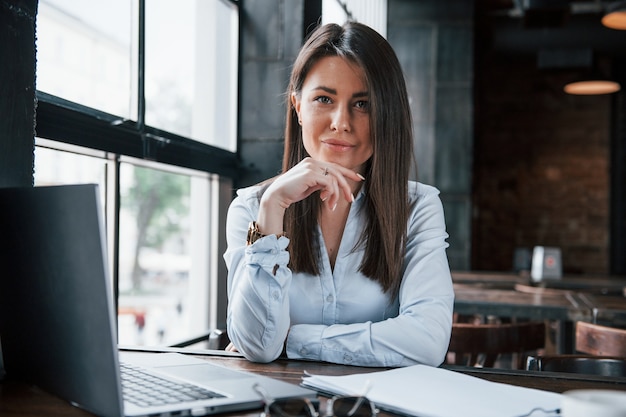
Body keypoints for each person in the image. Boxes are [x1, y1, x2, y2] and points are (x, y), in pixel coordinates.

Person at [223, 21, 454, 367]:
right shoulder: (253, 208)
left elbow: (427, 341)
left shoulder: (417, 207)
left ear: (387, 115)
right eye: (324, 99)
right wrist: (273, 207)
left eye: (362, 104)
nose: (341, 122)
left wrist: (295, 339)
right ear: (298, 107)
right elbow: (258, 346)